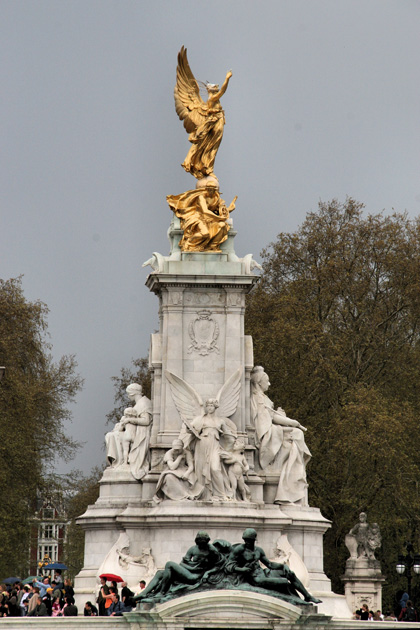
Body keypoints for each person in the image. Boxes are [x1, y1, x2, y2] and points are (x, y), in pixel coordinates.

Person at [250, 366, 311, 505]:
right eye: (267, 381)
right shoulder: (258, 398)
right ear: (259, 383)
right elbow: (270, 419)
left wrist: (286, 420)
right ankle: (291, 483)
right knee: (297, 434)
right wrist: (292, 423)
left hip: (270, 429)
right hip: (266, 433)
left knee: (297, 436)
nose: (269, 384)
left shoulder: (261, 397)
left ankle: (291, 480)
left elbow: (271, 416)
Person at [174, 47, 232, 181]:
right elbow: (223, 91)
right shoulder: (212, 99)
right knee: (208, 146)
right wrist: (227, 79)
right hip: (212, 124)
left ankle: (207, 166)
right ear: (212, 91)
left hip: (217, 123)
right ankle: (206, 166)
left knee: (212, 146)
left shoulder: (210, 101)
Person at [226, 528, 321, 604]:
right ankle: (294, 599)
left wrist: (283, 567)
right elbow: (228, 566)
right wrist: (242, 570)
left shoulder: (258, 550)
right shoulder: (239, 550)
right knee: (284, 582)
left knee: (290, 574)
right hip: (255, 579)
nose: (247, 542)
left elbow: (269, 564)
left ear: (254, 540)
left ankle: (307, 596)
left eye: (249, 540)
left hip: (262, 573)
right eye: (245, 540)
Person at [135, 531, 221, 601]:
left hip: (195, 576)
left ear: (207, 542)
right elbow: (183, 563)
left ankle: (162, 592)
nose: (201, 546)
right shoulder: (193, 549)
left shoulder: (212, 550)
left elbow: (218, 566)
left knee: (169, 564)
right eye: (200, 543)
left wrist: (207, 573)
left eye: (203, 544)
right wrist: (191, 567)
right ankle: (143, 593)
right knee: (160, 573)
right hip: (189, 571)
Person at [182, 398, 237, 501]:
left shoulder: (220, 421)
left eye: (211, 406)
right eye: (208, 406)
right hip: (202, 444)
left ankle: (221, 494)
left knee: (215, 468)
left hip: (214, 445)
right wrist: (188, 428)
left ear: (215, 407)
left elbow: (228, 435)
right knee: (200, 470)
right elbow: (190, 428)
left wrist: (232, 445)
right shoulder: (200, 419)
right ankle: (203, 494)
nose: (209, 408)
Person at [167, 183, 236, 253]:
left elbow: (221, 211)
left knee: (222, 225)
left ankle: (212, 246)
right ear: (206, 189)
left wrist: (229, 209)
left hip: (210, 219)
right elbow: (205, 211)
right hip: (199, 218)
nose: (211, 191)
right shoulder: (201, 197)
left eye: (213, 190)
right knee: (205, 233)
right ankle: (188, 244)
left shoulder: (216, 198)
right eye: (209, 189)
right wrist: (218, 218)